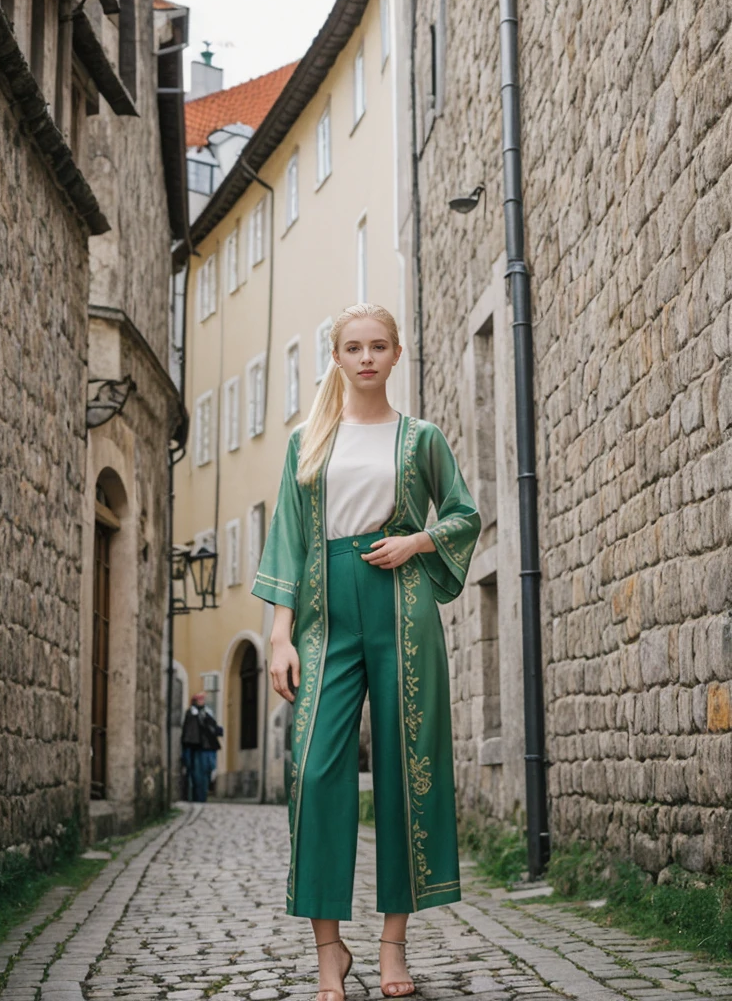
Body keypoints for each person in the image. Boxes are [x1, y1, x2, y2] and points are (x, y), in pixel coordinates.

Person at [251, 304, 481, 1001]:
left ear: (397, 352)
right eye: (353, 348)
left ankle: (391, 946)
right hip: (325, 616)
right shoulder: (309, 441)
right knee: (316, 769)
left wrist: (416, 541)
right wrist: (280, 634)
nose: (366, 358)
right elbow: (289, 539)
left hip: (403, 609)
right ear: (337, 357)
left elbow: (465, 513)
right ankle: (329, 952)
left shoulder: (421, 439)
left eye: (379, 346)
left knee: (408, 768)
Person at [181, 692, 223, 803]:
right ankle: (197, 799)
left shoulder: (207, 712)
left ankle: (202, 797)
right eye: (199, 699)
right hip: (197, 748)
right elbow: (190, 732)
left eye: (202, 699)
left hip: (208, 747)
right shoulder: (191, 713)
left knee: (207, 773)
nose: (202, 701)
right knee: (197, 776)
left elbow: (212, 727)